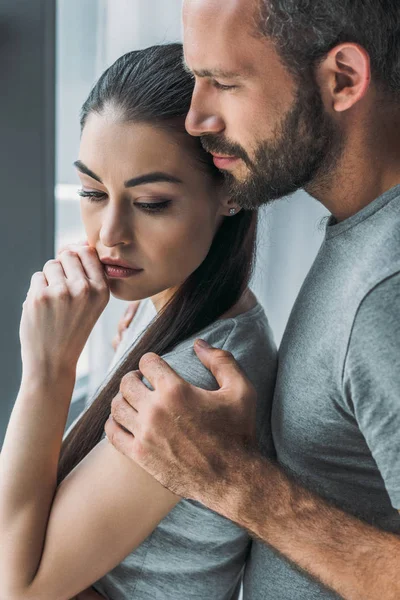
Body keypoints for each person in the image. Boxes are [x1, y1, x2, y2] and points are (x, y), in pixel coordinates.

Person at [104, 1, 400, 599]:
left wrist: (235, 482)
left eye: (225, 83)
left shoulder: (387, 291)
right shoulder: (360, 230)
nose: (195, 118)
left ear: (341, 78)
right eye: (195, 79)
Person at [0, 43, 278, 600]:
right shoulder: (174, 314)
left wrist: (49, 370)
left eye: (151, 202)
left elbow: (19, 587)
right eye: (92, 192)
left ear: (229, 192)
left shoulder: (195, 379)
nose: (109, 235)